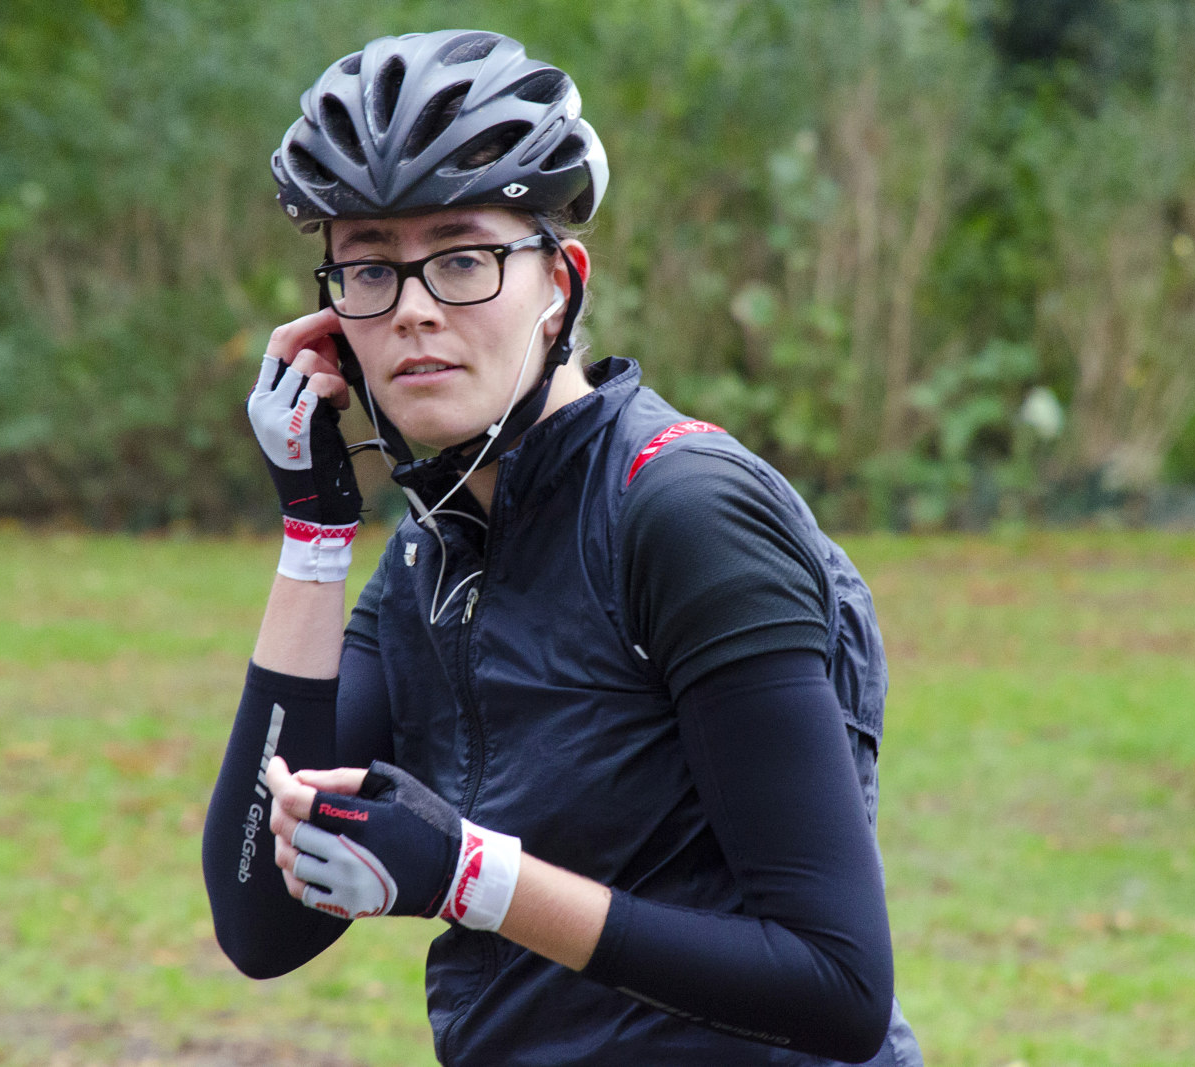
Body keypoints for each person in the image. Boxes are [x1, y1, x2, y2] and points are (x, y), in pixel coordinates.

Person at [202, 29, 923, 1067]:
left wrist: (472, 878)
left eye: (462, 258)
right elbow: (263, 922)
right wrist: (316, 530)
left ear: (559, 283)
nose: (410, 311)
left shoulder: (683, 513)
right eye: (367, 268)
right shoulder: (430, 555)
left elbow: (837, 982)